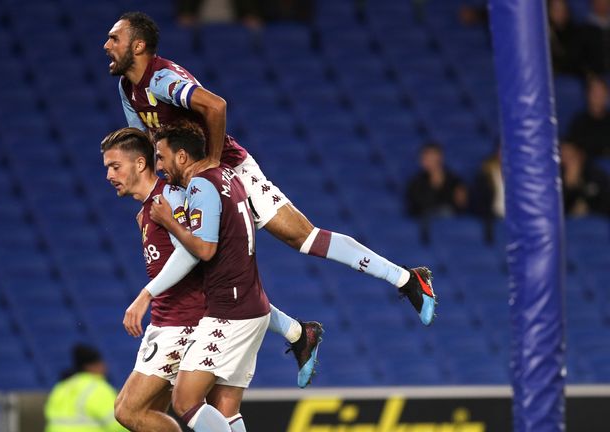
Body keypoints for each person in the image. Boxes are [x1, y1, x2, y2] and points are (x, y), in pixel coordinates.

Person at [103, 11, 437, 327]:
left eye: (114, 39)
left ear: (139, 45)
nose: (107, 46)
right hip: (190, 177)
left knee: (302, 237)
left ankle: (406, 278)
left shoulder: (161, 79)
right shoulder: (127, 89)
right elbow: (147, 142)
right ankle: (297, 333)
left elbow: (216, 105)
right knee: (209, 266)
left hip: (227, 167)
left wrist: (214, 165)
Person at [101, 127, 322, 431]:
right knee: (219, 410)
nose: (109, 176)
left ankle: (297, 331)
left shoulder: (171, 197)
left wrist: (145, 296)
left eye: (115, 166)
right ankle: (297, 331)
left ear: (140, 164)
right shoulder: (151, 206)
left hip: (181, 322)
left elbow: (192, 253)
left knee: (130, 411)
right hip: (177, 318)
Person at [143, 122, 270, 431]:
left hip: (231, 311)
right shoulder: (228, 173)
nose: (158, 166)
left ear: (183, 157)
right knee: (225, 408)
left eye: (161, 157)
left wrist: (169, 222)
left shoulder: (201, 185)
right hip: (253, 306)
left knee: (185, 400)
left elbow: (206, 249)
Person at [44, 344, 128, 432]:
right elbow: (118, 425)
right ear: (91, 366)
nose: (105, 367)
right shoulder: (98, 388)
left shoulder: (61, 386)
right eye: (101, 363)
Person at [405, 142, 468, 219]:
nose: (426, 161)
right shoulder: (416, 182)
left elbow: (460, 205)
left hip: (450, 220)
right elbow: (415, 207)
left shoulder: (455, 180)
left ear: (440, 158)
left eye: (431, 158)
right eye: (424, 158)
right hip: (425, 220)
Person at [560, 140, 610, 216]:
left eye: (570, 156)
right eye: (563, 157)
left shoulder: (594, 174)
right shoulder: (555, 179)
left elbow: (606, 201)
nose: (567, 161)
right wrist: (569, 187)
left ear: (580, 156)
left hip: (596, 220)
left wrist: (588, 207)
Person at [567, 77, 610, 159]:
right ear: (588, 94)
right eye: (594, 92)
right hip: (583, 162)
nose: (598, 96)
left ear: (607, 95)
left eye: (601, 92)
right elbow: (572, 144)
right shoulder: (580, 120)